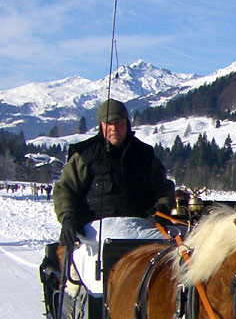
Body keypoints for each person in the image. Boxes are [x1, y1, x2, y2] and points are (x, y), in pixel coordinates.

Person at [53, 98, 175, 248]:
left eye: (119, 123)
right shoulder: (85, 155)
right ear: (100, 126)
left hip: (141, 228)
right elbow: (65, 189)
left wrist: (162, 208)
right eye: (108, 124)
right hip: (95, 231)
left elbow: (163, 187)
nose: (114, 128)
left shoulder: (145, 154)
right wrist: (68, 218)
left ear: (127, 124)